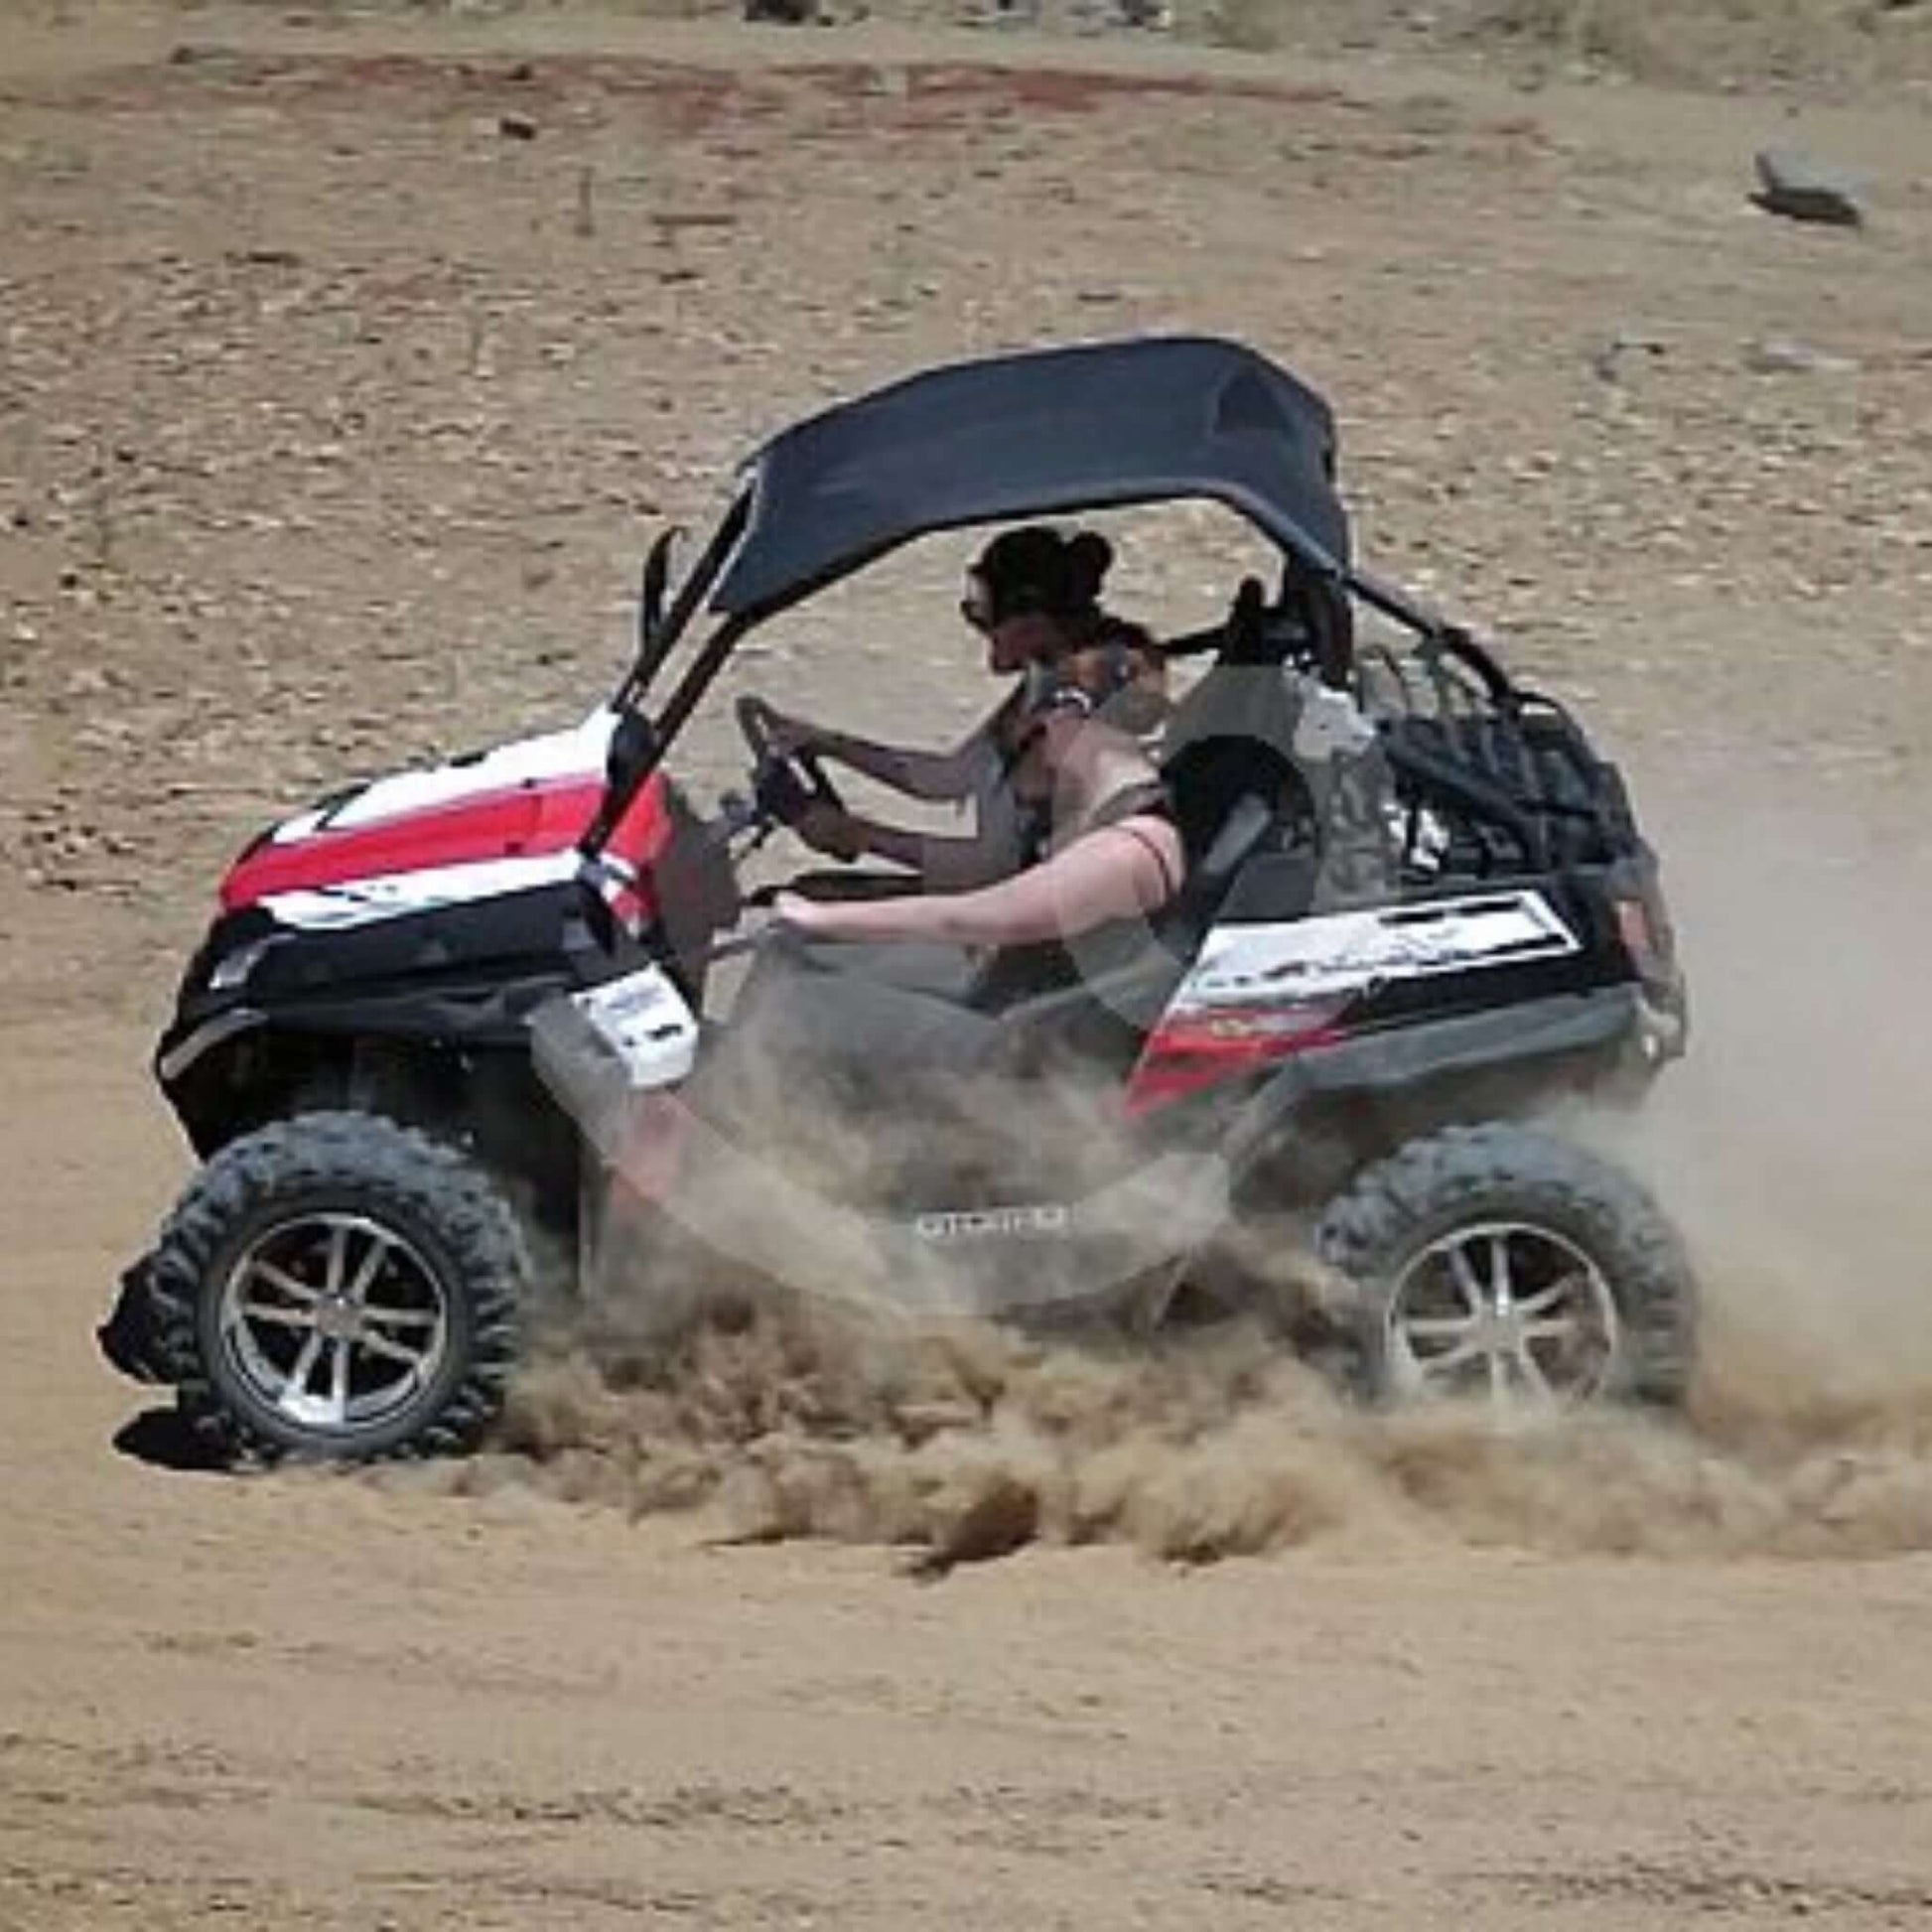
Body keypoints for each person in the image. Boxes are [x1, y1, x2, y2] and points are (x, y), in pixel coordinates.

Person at [759, 525, 1171, 894]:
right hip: (1033, 898)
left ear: (1031, 618)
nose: (982, 631)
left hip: (1045, 921)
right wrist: (827, 743)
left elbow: (993, 868)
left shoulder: (1076, 707)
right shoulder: (1054, 672)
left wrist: (860, 836)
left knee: (794, 925)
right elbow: (950, 777)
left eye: (988, 618)